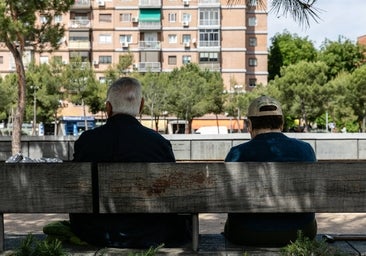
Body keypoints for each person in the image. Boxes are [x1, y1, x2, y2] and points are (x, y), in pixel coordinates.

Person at [70, 77, 191, 248]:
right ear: (141, 106)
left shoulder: (87, 141)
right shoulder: (159, 143)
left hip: (94, 233)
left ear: (108, 107)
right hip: (151, 232)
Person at [224, 95, 317, 247]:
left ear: (250, 125)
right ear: (281, 123)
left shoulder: (237, 153)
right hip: (300, 232)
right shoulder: (305, 150)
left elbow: (226, 194)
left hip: (246, 233)